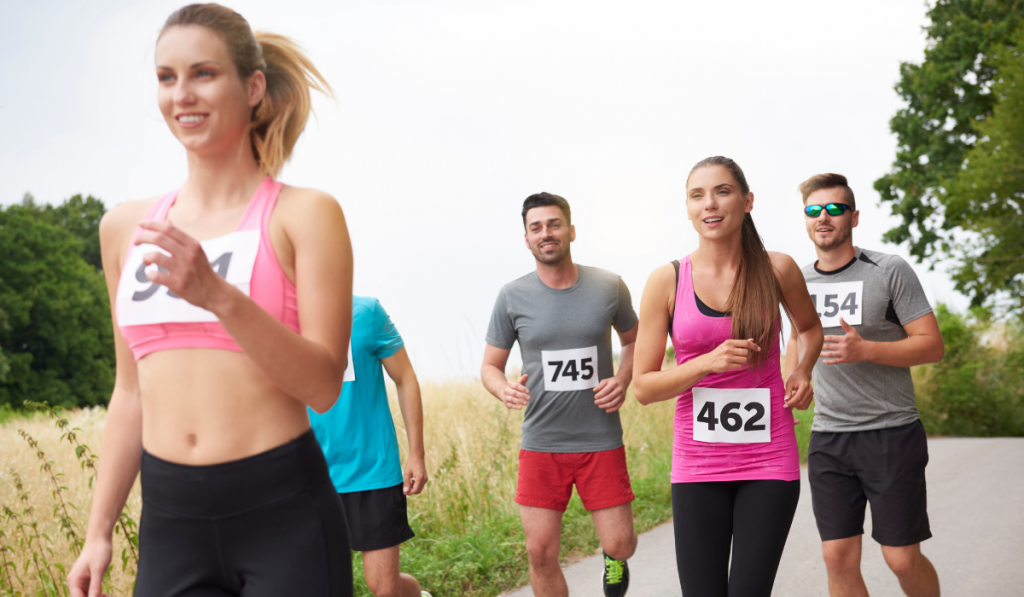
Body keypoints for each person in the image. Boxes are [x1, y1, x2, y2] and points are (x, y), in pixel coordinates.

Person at [67, 4, 355, 596]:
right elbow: (130, 392)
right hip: (172, 520)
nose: (182, 95)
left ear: (252, 87)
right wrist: (98, 531)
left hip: (284, 513)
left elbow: (324, 385)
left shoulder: (305, 215)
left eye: (203, 73)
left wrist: (219, 296)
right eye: (166, 77)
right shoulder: (124, 228)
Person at [632, 156, 824, 597]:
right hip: (698, 467)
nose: (710, 204)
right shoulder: (667, 280)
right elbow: (642, 387)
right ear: (687, 209)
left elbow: (810, 328)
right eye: (697, 195)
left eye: (722, 191)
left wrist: (801, 368)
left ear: (747, 200)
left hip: (768, 460)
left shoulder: (777, 269)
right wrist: (704, 363)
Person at [787, 173, 944, 597]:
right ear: (805, 220)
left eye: (835, 209)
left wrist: (867, 350)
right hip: (830, 438)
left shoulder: (889, 269)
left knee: (901, 558)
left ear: (853, 217)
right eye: (814, 210)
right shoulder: (797, 279)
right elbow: (797, 342)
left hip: (891, 433)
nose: (824, 217)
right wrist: (797, 377)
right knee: (836, 557)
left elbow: (932, 346)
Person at [481, 192, 639, 597]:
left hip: (600, 439)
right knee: (540, 554)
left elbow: (636, 338)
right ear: (526, 238)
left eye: (553, 224)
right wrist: (504, 390)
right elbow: (489, 367)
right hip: (542, 444)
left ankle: (613, 558)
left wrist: (623, 376)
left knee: (621, 543)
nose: (546, 233)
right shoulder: (512, 296)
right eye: (536, 227)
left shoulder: (608, 285)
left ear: (571, 230)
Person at [308, 296, 432, 597]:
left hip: (372, 471)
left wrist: (416, 453)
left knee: (385, 589)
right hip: (309, 478)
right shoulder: (277, 318)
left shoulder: (366, 312)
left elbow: (405, 378)